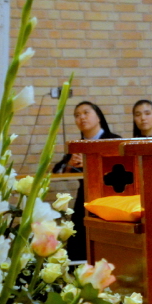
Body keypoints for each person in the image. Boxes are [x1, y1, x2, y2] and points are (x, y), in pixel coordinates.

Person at [53, 102, 121, 261]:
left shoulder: (114, 140)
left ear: (98, 117)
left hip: (111, 200)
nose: (82, 117)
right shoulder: (77, 146)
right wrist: (70, 164)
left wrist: (91, 164)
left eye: (86, 112)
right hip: (84, 200)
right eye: (77, 115)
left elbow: (122, 172)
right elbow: (57, 171)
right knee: (78, 246)